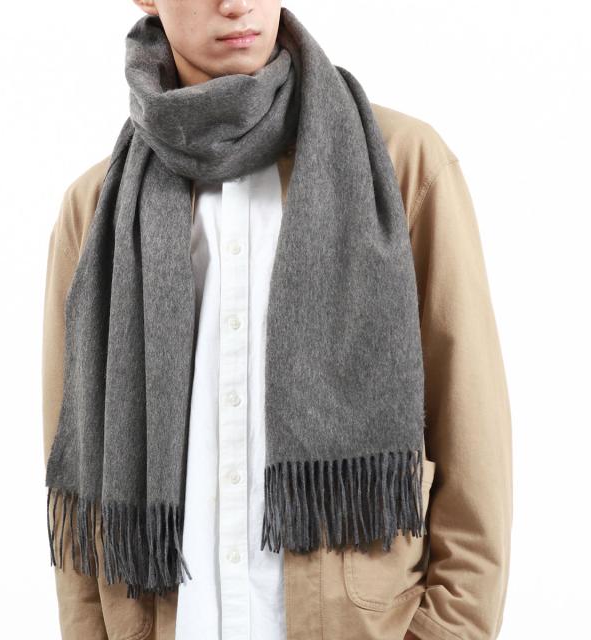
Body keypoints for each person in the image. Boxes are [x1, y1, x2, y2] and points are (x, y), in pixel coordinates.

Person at [42, 1, 513, 639]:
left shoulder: (401, 165)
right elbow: (78, 495)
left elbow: (471, 435)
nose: (237, 3)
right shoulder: (97, 211)